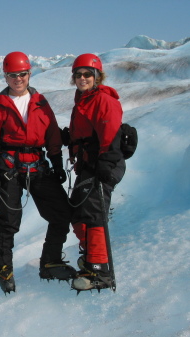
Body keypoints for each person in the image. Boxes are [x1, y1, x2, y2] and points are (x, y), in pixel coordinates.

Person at [0, 51, 76, 294]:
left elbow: (52, 134)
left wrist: (56, 162)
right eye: (12, 75)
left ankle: (50, 262)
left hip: (36, 164)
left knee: (61, 213)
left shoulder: (41, 103)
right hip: (8, 169)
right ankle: (4, 269)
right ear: (6, 76)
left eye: (22, 74)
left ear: (29, 74)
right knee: (8, 222)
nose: (17, 79)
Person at [63, 53, 126, 292]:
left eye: (88, 74)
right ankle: (90, 256)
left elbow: (110, 135)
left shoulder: (103, 100)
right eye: (78, 74)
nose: (82, 78)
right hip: (90, 164)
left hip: (104, 164)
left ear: (97, 76)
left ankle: (100, 270)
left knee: (93, 214)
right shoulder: (82, 99)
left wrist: (105, 164)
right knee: (77, 211)